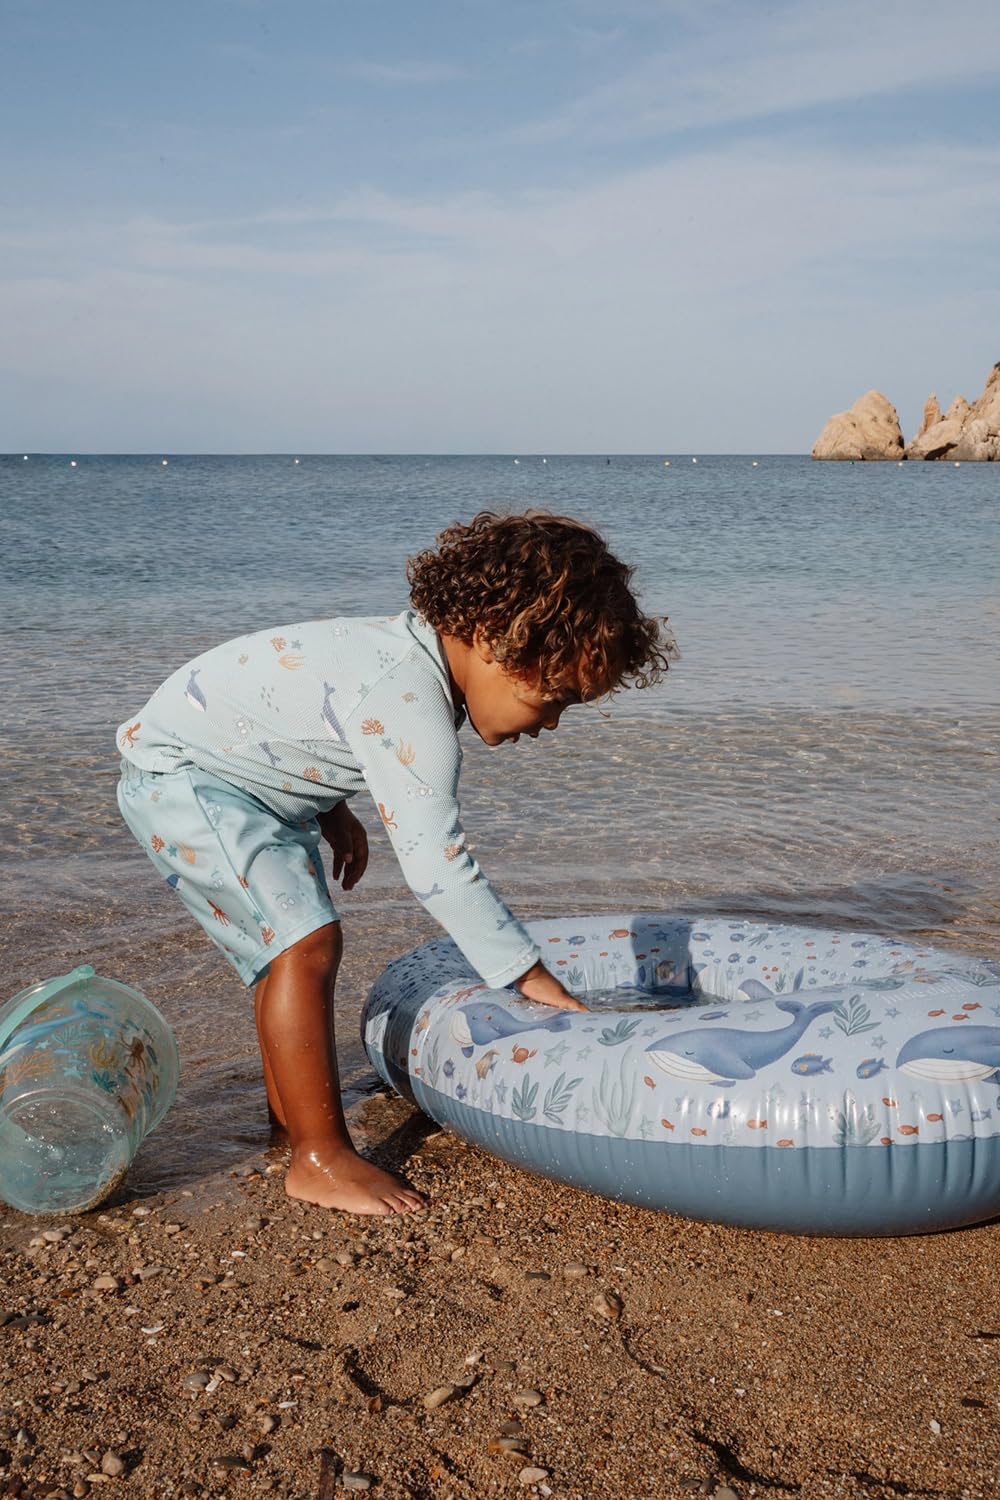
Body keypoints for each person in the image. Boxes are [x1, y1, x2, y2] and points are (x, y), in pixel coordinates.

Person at [115, 511, 674, 1215]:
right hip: (187, 778)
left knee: (282, 953)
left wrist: (330, 808)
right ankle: (318, 1159)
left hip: (229, 777)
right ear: (494, 639)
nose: (552, 723)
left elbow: (297, 722)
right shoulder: (415, 705)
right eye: (553, 698)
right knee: (304, 946)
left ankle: (293, 1129)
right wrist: (526, 973)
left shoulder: (400, 654)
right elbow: (439, 865)